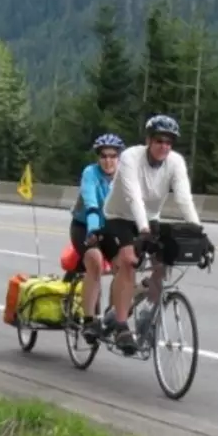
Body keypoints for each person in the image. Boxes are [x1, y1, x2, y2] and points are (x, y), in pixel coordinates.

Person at [82, 114, 203, 354]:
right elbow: (133, 196)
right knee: (128, 261)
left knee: (165, 259)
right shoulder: (130, 158)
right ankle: (121, 325)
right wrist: (144, 231)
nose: (164, 147)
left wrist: (198, 231)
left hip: (150, 218)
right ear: (148, 140)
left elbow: (183, 197)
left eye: (169, 142)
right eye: (159, 141)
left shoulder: (175, 162)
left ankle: (148, 310)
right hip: (119, 216)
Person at [68, 133, 125, 332]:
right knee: (94, 259)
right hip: (84, 226)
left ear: (119, 158)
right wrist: (92, 231)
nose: (108, 161)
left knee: (125, 264)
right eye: (104, 156)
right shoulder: (90, 173)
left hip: (109, 228)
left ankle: (112, 313)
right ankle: (89, 320)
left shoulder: (124, 177)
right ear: (98, 158)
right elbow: (92, 204)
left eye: (113, 156)